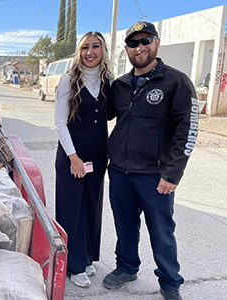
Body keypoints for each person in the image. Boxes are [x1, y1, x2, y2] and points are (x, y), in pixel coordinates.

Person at [103, 21, 199, 300]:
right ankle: (127, 267)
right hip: (120, 171)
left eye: (146, 41)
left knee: (161, 230)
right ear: (127, 49)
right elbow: (99, 115)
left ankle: (170, 283)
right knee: (125, 225)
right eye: (133, 43)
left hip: (155, 175)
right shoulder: (120, 85)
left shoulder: (176, 81)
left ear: (157, 43)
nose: (140, 47)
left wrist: (172, 174)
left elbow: (188, 130)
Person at [54, 31, 113, 288]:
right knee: (72, 209)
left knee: (91, 207)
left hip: (98, 158)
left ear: (103, 50)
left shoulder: (108, 81)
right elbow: (59, 123)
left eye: (95, 46)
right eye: (85, 47)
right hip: (72, 157)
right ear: (79, 53)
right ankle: (73, 265)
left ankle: (87, 257)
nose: (90, 52)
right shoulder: (69, 81)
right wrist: (73, 157)